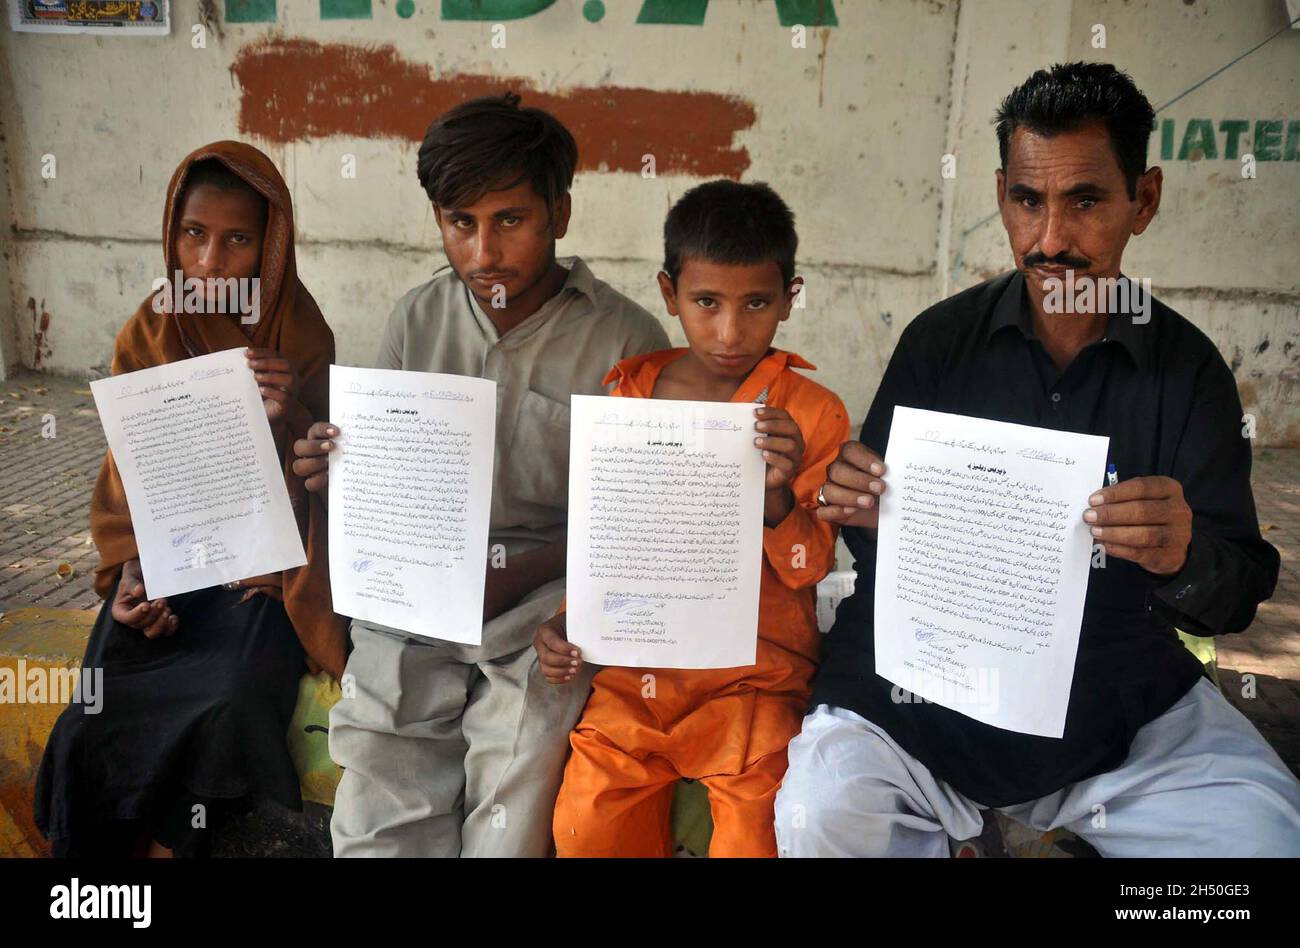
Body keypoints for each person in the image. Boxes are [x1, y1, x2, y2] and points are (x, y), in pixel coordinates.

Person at [775, 62, 1300, 858]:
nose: (1051, 239)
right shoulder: (940, 343)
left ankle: (1044, 834)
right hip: (922, 700)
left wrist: (1182, 555)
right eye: (1029, 201)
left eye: (1085, 201)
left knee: (1261, 838)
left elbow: (1233, 598)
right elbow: (871, 541)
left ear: (1144, 200)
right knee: (823, 815)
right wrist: (864, 507)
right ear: (1001, 196)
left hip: (1113, 708)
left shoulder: (1186, 372)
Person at [292, 93, 669, 857]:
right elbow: (392, 493)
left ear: (560, 214)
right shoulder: (416, 320)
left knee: (516, 787)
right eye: (460, 222)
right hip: (420, 597)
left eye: (510, 220)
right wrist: (343, 474)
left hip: (546, 607)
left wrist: (516, 574)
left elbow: (631, 522)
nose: (484, 252)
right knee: (379, 799)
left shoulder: (629, 339)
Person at [35, 141, 347, 858]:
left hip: (261, 584)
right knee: (90, 726)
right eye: (194, 235)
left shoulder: (300, 333)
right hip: (168, 578)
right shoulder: (152, 331)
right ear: (172, 234)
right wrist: (130, 578)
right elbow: (126, 486)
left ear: (272, 244)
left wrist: (289, 418)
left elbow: (330, 490)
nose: (209, 263)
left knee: (231, 707)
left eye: (238, 239)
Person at [536, 180, 849, 857]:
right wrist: (570, 623)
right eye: (706, 303)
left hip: (753, 681)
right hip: (635, 676)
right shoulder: (630, 393)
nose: (730, 332)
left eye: (756, 303)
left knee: (754, 838)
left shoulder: (812, 412)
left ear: (790, 297)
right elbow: (609, 540)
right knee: (585, 826)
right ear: (668, 292)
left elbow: (810, 566)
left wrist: (777, 494)